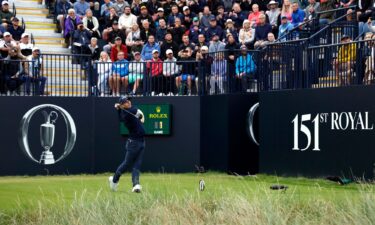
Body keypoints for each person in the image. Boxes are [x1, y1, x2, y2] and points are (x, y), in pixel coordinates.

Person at [109, 96, 145, 193]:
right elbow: (136, 111)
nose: (128, 102)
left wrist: (119, 109)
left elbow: (137, 114)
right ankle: (114, 180)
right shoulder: (127, 113)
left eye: (128, 100)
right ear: (122, 105)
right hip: (134, 143)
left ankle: (136, 185)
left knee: (137, 164)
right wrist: (120, 109)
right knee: (126, 164)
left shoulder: (125, 111)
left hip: (141, 141)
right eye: (125, 102)